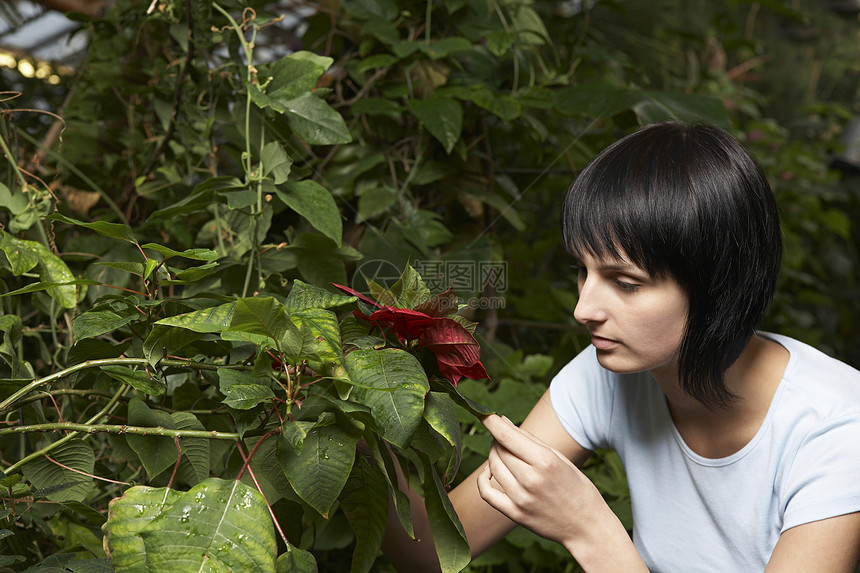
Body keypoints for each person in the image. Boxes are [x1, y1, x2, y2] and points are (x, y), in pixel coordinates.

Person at [380, 121, 860, 572]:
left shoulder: (836, 428)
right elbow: (432, 553)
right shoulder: (606, 371)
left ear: (718, 286)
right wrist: (350, 414)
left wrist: (588, 528)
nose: (583, 309)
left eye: (625, 282)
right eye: (583, 273)